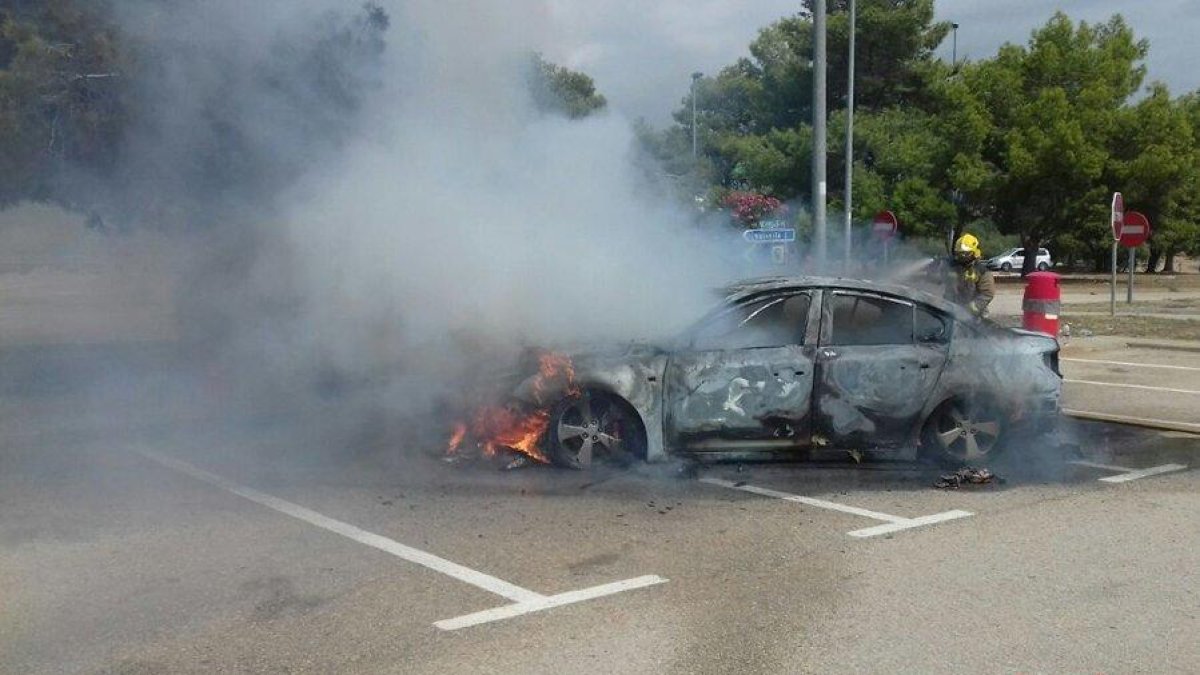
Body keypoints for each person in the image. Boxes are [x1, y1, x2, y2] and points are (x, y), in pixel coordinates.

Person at [939, 233, 995, 317]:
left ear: (974, 252)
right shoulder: (953, 267)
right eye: (959, 254)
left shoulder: (982, 271)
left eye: (965, 254)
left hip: (975, 313)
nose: (961, 257)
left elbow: (987, 294)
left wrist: (969, 309)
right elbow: (941, 281)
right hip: (952, 309)